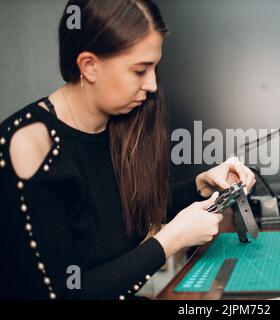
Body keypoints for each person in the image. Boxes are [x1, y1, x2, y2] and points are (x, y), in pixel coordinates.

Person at [0, 0, 255, 300]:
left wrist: (202, 184)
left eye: (154, 67)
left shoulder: (119, 123)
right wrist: (168, 241)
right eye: (139, 70)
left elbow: (125, 209)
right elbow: (63, 292)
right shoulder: (27, 144)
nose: (152, 85)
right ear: (89, 66)